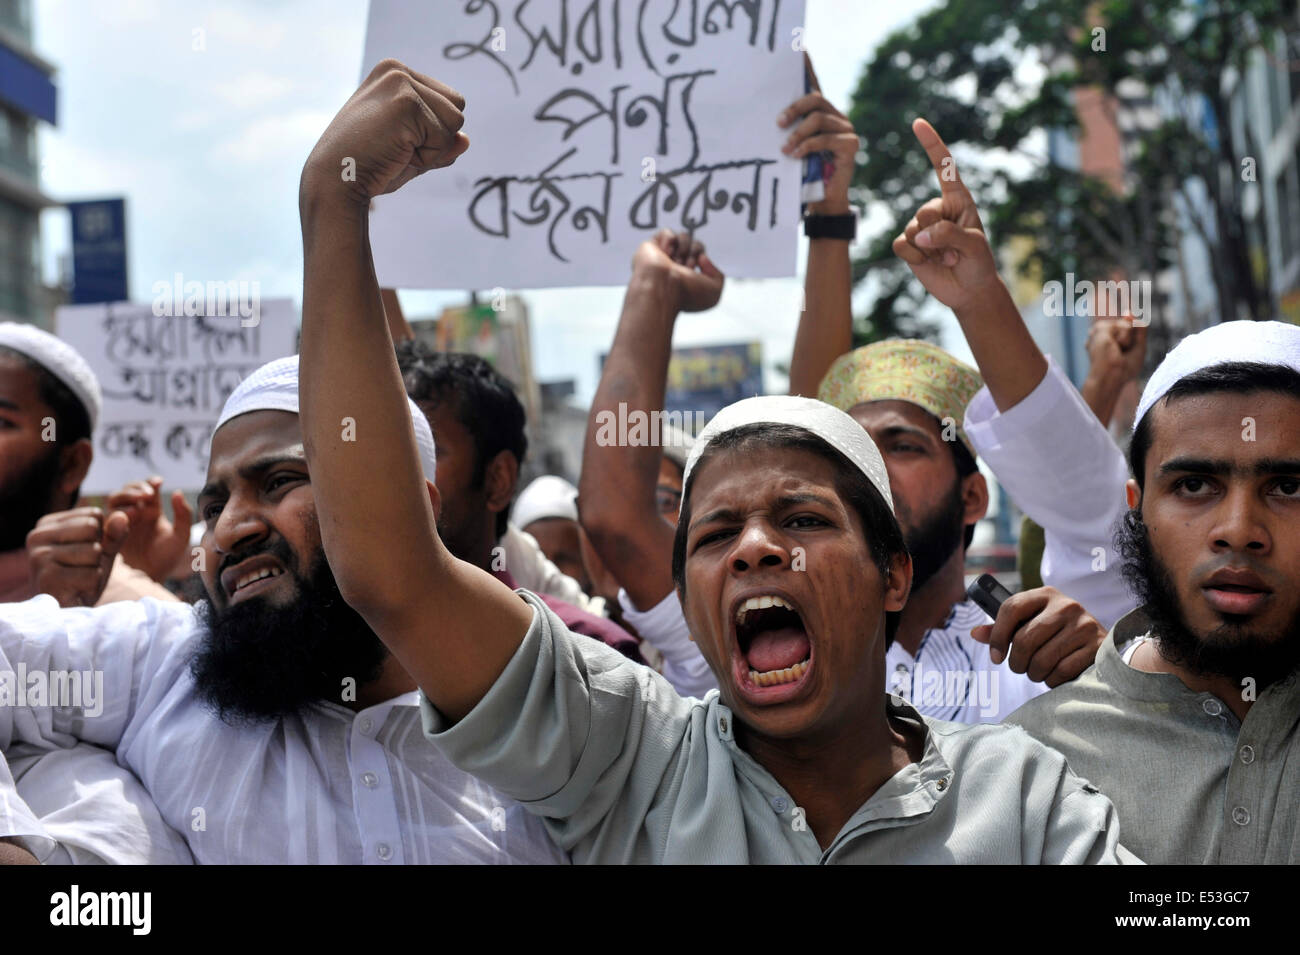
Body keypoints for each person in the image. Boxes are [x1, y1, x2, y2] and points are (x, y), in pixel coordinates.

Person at [296, 58, 1135, 863]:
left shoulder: (1024, 792)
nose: (756, 548)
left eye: (803, 517)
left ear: (892, 573)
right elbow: (391, 570)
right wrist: (333, 205)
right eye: (713, 534)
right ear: (689, 611)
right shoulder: (630, 758)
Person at [0, 355, 566, 864]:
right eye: (215, 504)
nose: (229, 529)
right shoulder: (163, 664)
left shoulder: (540, 726)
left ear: (412, 506)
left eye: (277, 482)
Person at [1002, 321, 1300, 864]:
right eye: (1194, 486)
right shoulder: (1029, 769)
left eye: (1287, 487)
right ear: (1137, 509)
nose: (1238, 529)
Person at [816, 340, 1101, 720]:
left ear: (971, 497)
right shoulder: (788, 666)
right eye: (851, 453)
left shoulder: (1042, 668)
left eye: (902, 447)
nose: (869, 470)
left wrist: (1103, 676)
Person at [395, 342, 642, 661]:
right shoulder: (324, 640)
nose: (389, 472)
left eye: (422, 450)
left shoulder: (591, 656)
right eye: (381, 449)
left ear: (498, 479)